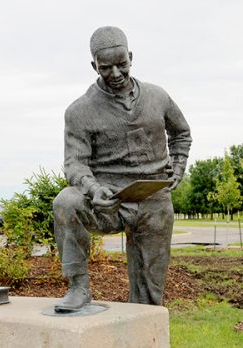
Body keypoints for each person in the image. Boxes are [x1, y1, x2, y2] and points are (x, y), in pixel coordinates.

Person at [53, 26, 192, 312]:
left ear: (130, 57)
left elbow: (181, 133)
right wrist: (93, 189)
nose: (115, 73)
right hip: (109, 202)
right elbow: (74, 163)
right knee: (66, 201)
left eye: (121, 64)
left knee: (149, 301)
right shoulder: (79, 111)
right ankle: (78, 287)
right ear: (94, 66)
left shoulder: (158, 96)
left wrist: (178, 167)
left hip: (154, 201)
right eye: (105, 68)